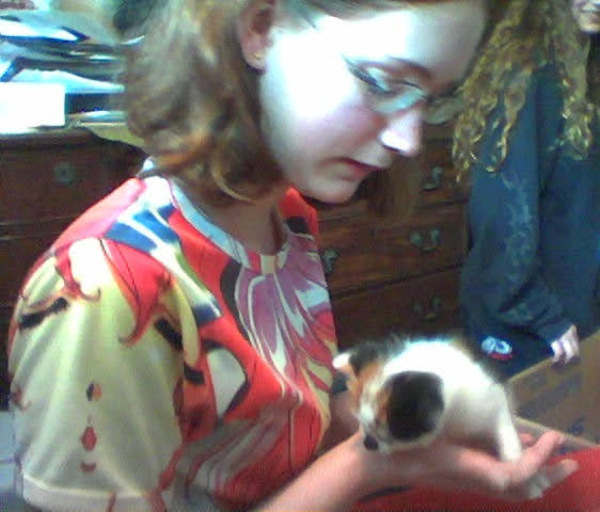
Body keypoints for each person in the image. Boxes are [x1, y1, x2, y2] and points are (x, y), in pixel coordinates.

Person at [5, 0, 588, 510]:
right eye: (384, 81)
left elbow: (295, 425)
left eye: (430, 100)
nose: (409, 140)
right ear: (261, 26)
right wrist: (369, 465)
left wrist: (432, 434)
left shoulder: (285, 217)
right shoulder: (103, 292)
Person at [453, 0, 600, 379]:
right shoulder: (528, 75)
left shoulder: (589, 69)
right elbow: (500, 217)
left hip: (575, 311)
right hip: (532, 323)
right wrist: (543, 315)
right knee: (523, 436)